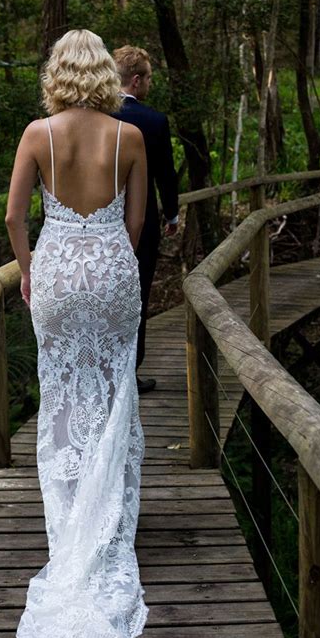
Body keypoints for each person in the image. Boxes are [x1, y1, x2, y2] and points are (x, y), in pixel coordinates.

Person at [5, 29, 149, 638]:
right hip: (113, 269)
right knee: (115, 390)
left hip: (60, 270)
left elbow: (14, 216)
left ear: (58, 73)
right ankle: (107, 517)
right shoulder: (131, 137)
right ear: (106, 76)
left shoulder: (40, 134)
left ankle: (70, 523)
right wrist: (111, 257)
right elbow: (136, 221)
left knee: (62, 394)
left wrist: (30, 268)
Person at [112, 46, 180, 394]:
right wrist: (172, 212)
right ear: (136, 80)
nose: (150, 83)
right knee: (136, 295)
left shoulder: (98, 116)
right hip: (144, 222)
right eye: (149, 77)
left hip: (99, 222)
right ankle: (129, 372)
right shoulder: (154, 121)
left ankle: (103, 369)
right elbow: (165, 176)